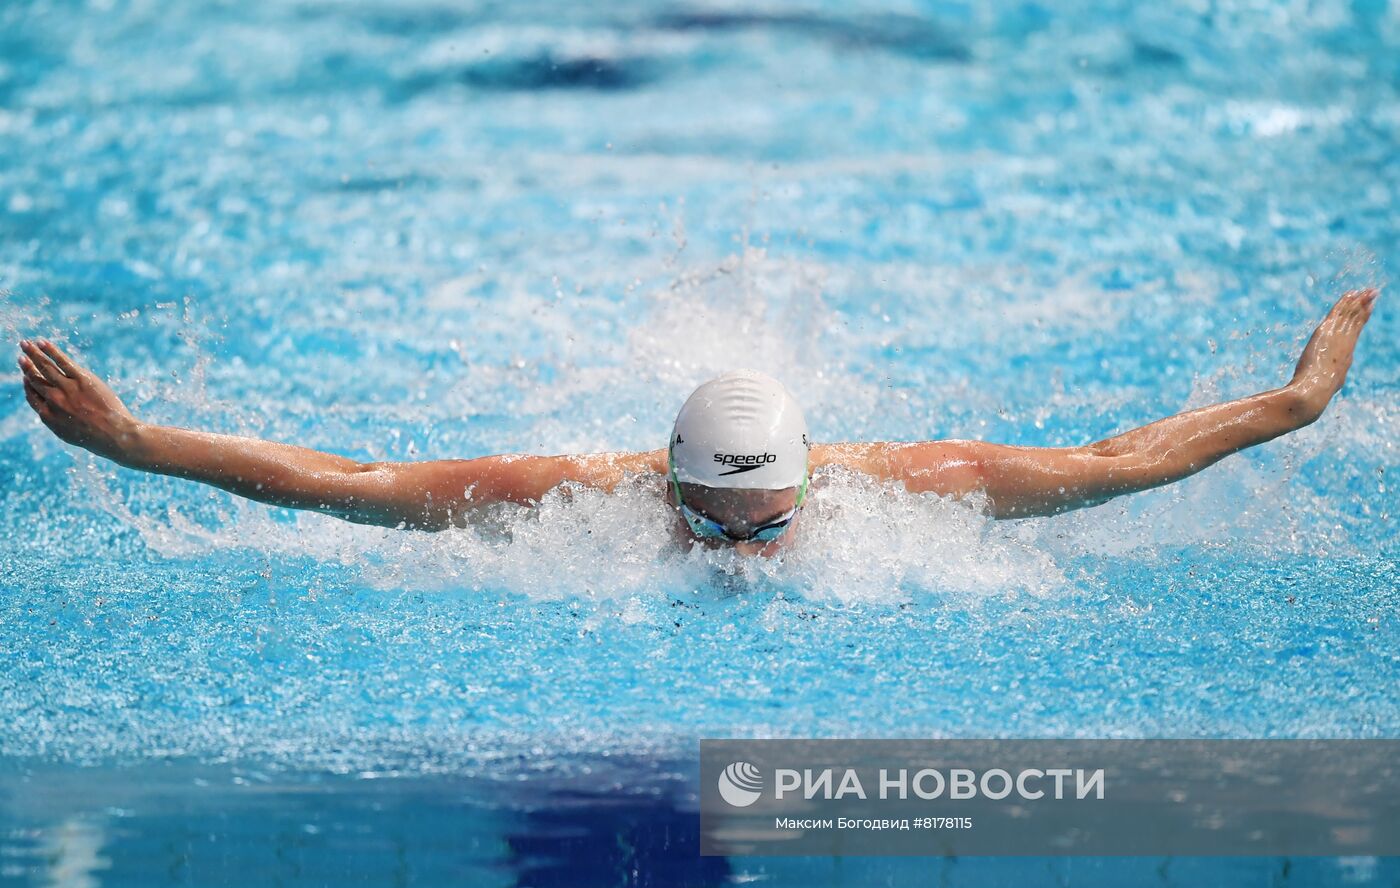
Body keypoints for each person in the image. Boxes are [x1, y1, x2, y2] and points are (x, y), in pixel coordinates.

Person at [17, 289, 1378, 557]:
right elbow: (351, 481)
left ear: (808, 487)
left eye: (764, 523)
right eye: (708, 523)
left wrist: (1298, 402)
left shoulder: (903, 490)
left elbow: (1111, 464)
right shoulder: (577, 495)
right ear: (660, 480)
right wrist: (135, 444)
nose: (737, 551)